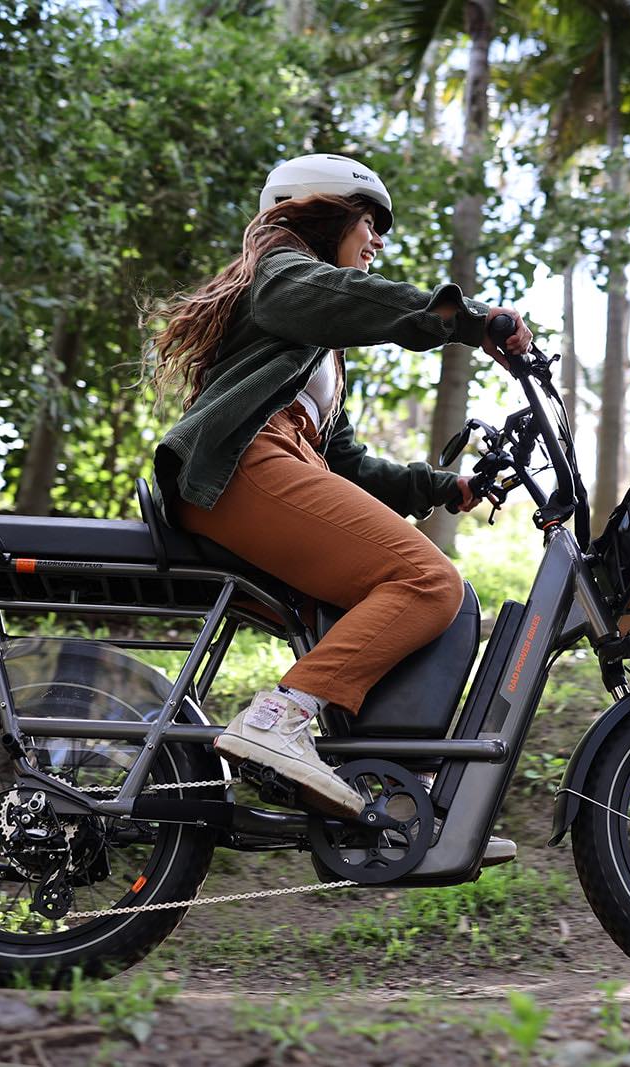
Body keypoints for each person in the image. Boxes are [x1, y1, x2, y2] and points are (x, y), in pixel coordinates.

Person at [147, 153, 532, 824]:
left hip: (276, 464)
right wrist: (467, 321)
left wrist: (446, 487)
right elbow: (345, 300)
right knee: (429, 583)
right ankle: (277, 719)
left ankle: (394, 781)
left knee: (420, 595)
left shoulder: (316, 346)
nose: (377, 241)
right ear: (320, 213)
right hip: (244, 464)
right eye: (367, 221)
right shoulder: (281, 274)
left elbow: (345, 460)